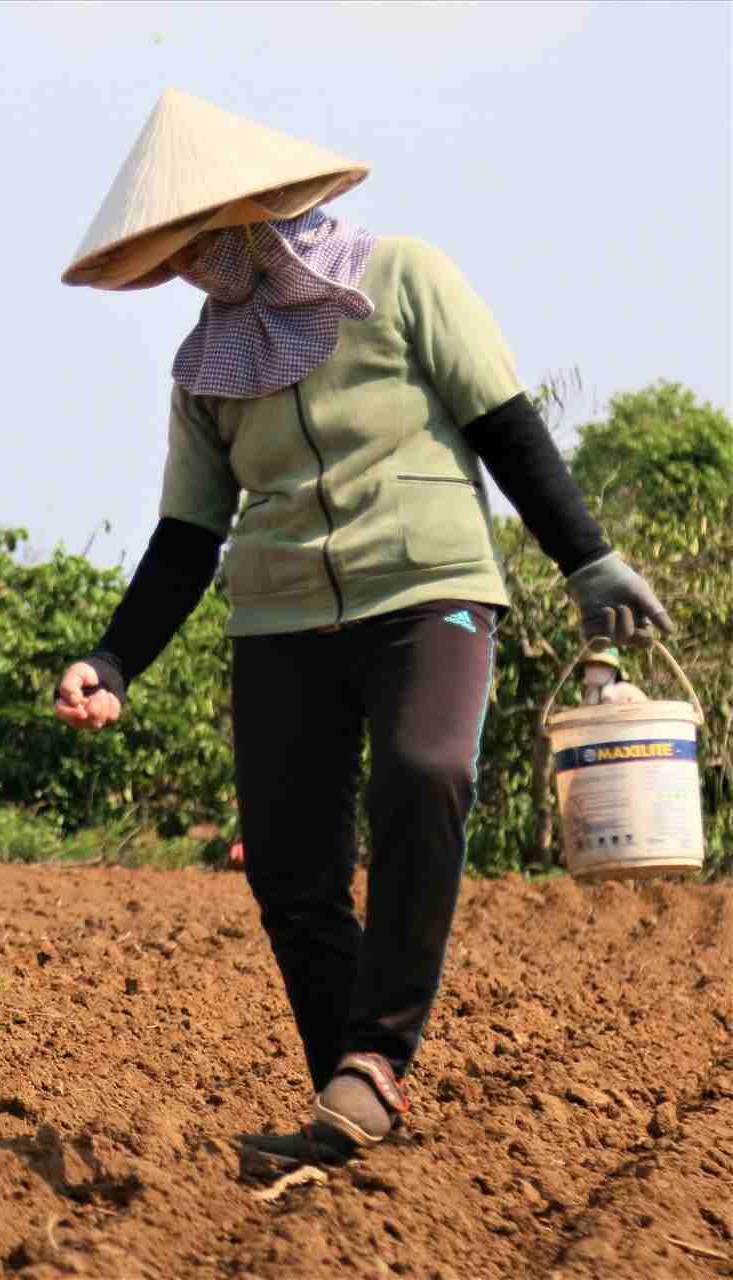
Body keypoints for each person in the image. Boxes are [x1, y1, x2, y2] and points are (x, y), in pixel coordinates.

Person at [49, 90, 673, 1171]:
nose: (187, 267)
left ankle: (378, 1057)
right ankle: (352, 1096)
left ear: (247, 211)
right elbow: (186, 536)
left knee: (426, 774)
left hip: (429, 586)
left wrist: (589, 560)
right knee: (291, 867)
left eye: (193, 239)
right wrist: (112, 657)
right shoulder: (205, 365)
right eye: (167, 253)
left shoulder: (402, 276)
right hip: (280, 614)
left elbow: (505, 425)